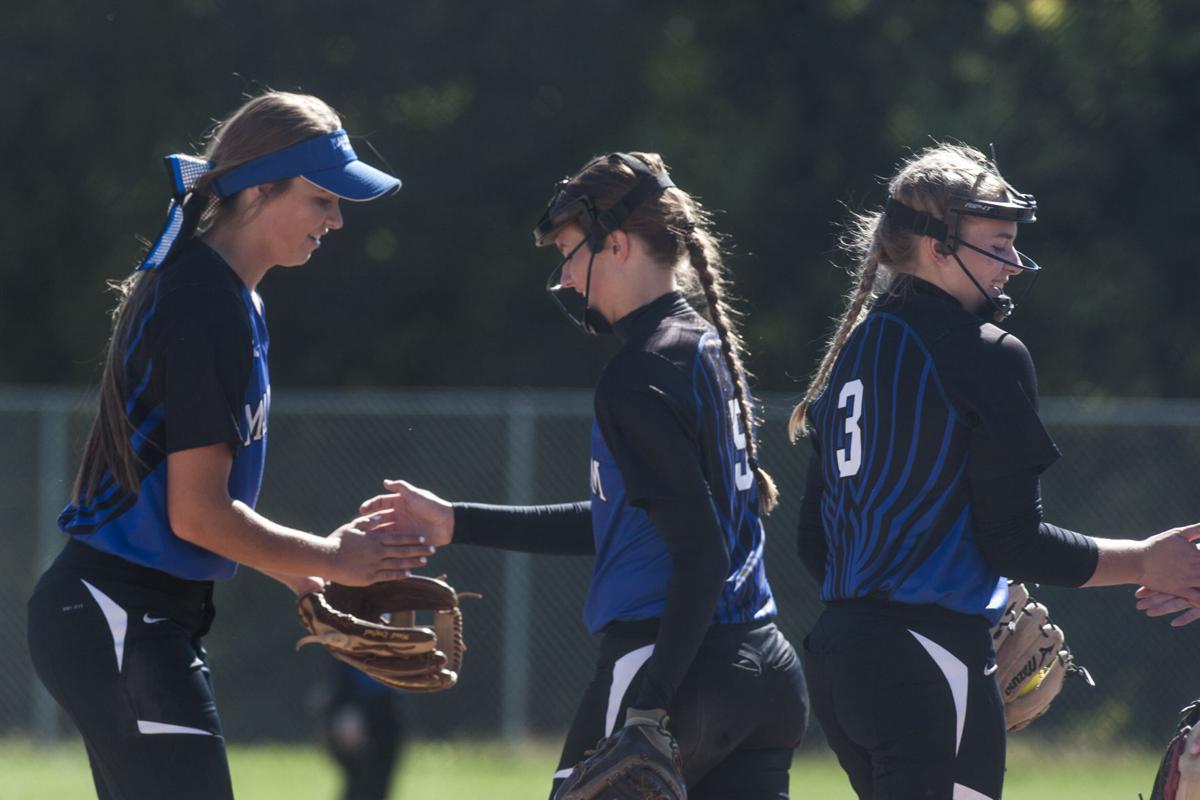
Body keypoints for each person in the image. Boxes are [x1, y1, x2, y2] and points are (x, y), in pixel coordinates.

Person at [361, 152, 809, 799]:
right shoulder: (702, 348)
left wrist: (648, 706)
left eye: (571, 252)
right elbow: (630, 524)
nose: (567, 277)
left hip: (672, 667)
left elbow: (701, 556)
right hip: (763, 671)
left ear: (618, 244)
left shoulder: (640, 373)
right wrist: (455, 520)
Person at [26, 91, 432, 800]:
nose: (337, 219)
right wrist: (331, 556)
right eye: (322, 199)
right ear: (257, 190)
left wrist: (305, 573)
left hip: (132, 616)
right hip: (119, 613)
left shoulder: (232, 299)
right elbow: (198, 516)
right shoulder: (204, 301)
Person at [790, 142, 1200, 800]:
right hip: (930, 659)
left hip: (840, 657)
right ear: (936, 245)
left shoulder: (855, 350)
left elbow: (816, 543)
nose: (1014, 263)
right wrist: (1147, 561)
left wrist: (894, 602)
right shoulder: (987, 354)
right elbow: (1012, 540)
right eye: (998, 243)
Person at [319, 660, 406, 800]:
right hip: (358, 707)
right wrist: (345, 705)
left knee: (378, 783)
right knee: (362, 783)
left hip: (387, 703)